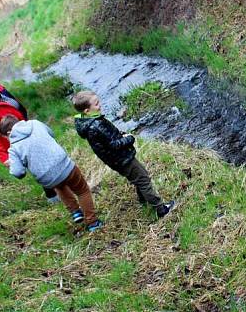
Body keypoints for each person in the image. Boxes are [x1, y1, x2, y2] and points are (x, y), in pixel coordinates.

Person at [72, 90, 176, 218]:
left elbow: (109, 137)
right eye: (96, 104)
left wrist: (119, 134)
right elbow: (114, 145)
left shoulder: (87, 121)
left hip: (115, 160)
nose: (100, 105)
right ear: (87, 111)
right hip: (122, 159)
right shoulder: (96, 125)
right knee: (143, 179)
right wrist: (129, 138)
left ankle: (143, 199)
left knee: (137, 177)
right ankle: (161, 209)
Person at [0, 115, 104, 232]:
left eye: (6, 138)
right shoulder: (35, 123)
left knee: (58, 185)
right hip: (64, 165)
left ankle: (75, 211)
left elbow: (18, 173)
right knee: (82, 191)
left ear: (9, 133)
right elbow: (51, 134)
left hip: (47, 178)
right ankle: (93, 222)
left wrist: (13, 165)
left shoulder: (13, 148)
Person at [0, 67, 58, 202]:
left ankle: (58, 183)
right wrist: (4, 157)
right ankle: (52, 196)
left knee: (44, 156)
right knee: (37, 164)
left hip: (25, 128)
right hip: (17, 139)